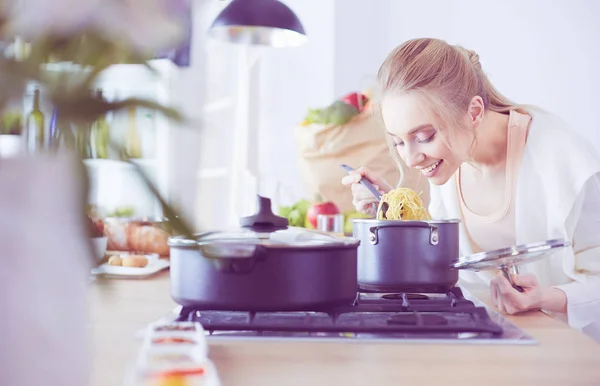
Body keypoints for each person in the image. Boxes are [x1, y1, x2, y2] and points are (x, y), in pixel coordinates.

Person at [342, 37, 600, 339]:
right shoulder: (451, 162)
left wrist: (545, 297)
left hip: (571, 353)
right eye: (399, 141)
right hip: (499, 346)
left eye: (424, 136)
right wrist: (393, 214)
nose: (411, 158)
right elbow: (457, 277)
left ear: (474, 112)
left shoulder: (565, 163)